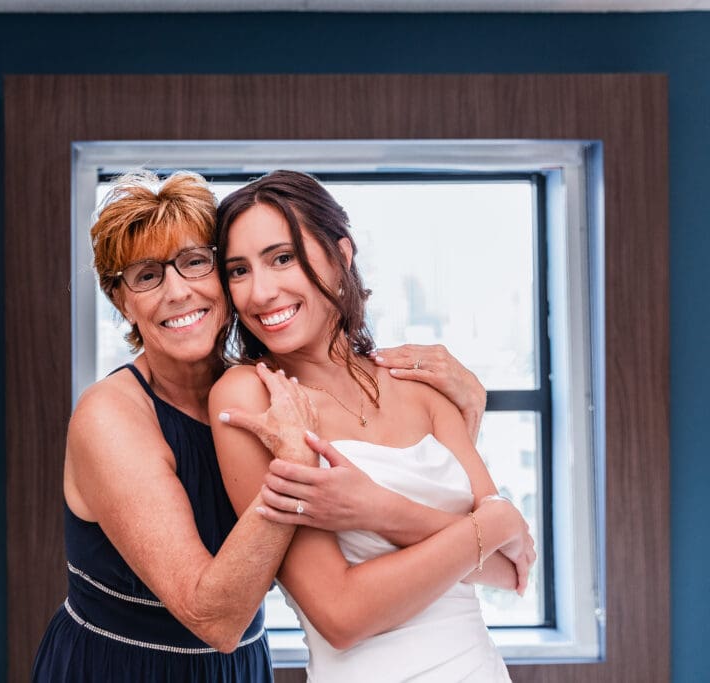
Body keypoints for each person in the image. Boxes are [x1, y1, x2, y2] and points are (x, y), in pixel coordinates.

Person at [32, 170, 495, 682]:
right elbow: (215, 619)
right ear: (123, 302)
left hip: (241, 667)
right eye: (146, 276)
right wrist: (294, 462)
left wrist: (467, 412)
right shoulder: (111, 417)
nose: (178, 292)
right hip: (121, 668)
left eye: (195, 263)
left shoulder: (266, 394)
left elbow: (389, 525)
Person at [210, 170, 536, 682]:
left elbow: (509, 569)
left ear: (341, 254)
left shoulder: (418, 383)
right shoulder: (251, 397)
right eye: (238, 271)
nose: (261, 292)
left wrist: (379, 509)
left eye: (282, 258)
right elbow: (342, 615)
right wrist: (493, 523)